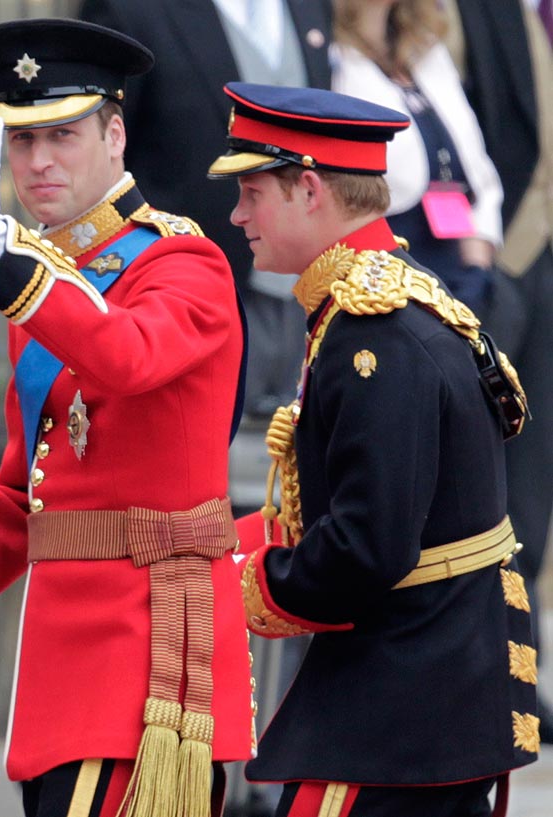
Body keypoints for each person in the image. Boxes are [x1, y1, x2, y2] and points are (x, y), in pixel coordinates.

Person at [0, 18, 254, 817]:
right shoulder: (44, 283)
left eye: (61, 134)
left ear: (116, 132)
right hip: (61, 667)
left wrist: (1, 260)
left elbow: (126, 357)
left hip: (151, 659)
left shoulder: (182, 264)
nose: (38, 162)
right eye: (21, 142)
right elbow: (34, 486)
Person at [207, 81, 539, 816]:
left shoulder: (372, 334)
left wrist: (232, 582)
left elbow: (366, 546)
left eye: (253, 192)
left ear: (310, 189)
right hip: (430, 682)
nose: (237, 215)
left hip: (407, 698)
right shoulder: (386, 296)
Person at [78, 0, 332, 415]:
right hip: (187, 298)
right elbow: (100, 159)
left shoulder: (310, 8)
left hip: (305, 291)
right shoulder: (128, 10)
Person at [445, 0, 553, 746]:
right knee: (478, 488)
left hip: (525, 268)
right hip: (479, 273)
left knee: (529, 489)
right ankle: (483, 680)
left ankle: (517, 677)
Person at [328, 0, 504, 318]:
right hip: (381, 282)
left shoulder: (425, 48)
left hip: (460, 273)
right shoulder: (328, 56)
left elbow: (476, 166)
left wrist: (477, 266)